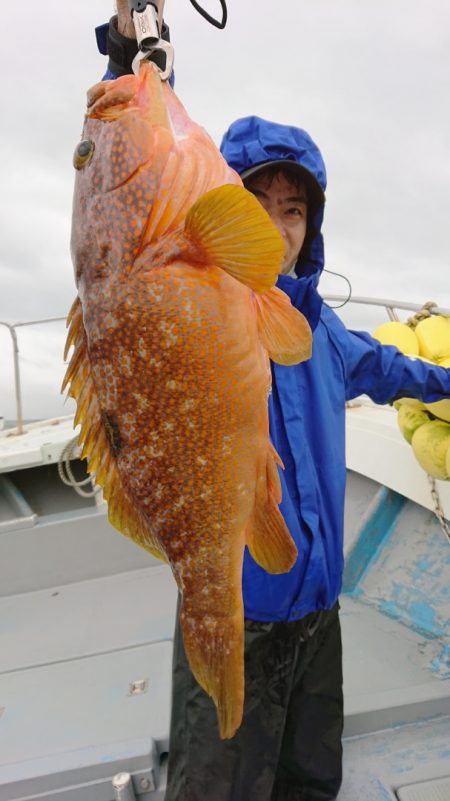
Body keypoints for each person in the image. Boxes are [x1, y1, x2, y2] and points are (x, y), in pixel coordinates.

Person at [95, 5, 450, 800]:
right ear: (226, 208)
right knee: (218, 784)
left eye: (295, 211)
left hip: (318, 616)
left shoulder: (324, 332)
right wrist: (131, 53)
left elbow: (398, 372)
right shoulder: (203, 291)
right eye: (258, 203)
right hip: (235, 609)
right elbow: (147, 168)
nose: (279, 226)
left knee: (309, 778)